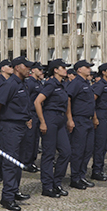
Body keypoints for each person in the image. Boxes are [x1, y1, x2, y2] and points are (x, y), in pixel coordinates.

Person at [0, 56, 33, 211]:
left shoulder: (23, 84)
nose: (29, 69)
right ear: (17, 67)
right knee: (10, 162)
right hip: (10, 127)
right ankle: (7, 198)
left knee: (18, 162)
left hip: (21, 126)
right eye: (26, 66)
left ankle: (14, 191)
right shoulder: (9, 84)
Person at [34, 58, 71, 197]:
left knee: (66, 152)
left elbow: (67, 103)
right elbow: (37, 102)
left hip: (60, 119)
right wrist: (42, 121)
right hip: (50, 118)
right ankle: (47, 186)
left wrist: (69, 119)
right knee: (49, 154)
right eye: (63, 67)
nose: (65, 69)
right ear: (55, 70)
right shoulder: (51, 84)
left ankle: (57, 182)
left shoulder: (63, 84)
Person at [66, 60, 97, 189]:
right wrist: (69, 118)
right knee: (78, 150)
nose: (89, 69)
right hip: (79, 120)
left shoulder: (87, 83)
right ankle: (75, 178)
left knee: (88, 150)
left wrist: (94, 117)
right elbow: (67, 98)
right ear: (79, 69)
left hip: (88, 120)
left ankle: (81, 176)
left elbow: (91, 103)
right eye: (86, 67)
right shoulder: (76, 83)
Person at [90, 63, 107, 181]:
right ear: (104, 72)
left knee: (105, 144)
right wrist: (94, 117)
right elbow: (92, 101)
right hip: (101, 114)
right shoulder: (100, 85)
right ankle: (96, 170)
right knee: (100, 144)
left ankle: (100, 169)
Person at [20, 62, 44, 173]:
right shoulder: (29, 82)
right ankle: (26, 162)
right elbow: (26, 99)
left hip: (37, 114)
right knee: (29, 139)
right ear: (33, 70)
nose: (41, 72)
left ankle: (32, 161)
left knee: (35, 140)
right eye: (39, 69)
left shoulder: (38, 83)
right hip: (31, 113)